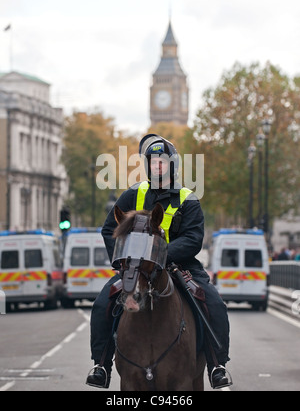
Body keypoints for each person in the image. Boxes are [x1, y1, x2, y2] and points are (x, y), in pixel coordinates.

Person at [87, 134, 231, 390]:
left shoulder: (188, 199)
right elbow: (110, 227)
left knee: (214, 303)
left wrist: (160, 256)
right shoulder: (133, 193)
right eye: (153, 162)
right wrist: (122, 263)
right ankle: (101, 365)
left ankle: (217, 365)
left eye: (162, 162)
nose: (157, 166)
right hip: (136, 267)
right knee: (102, 304)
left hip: (180, 265)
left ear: (172, 165)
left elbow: (193, 238)